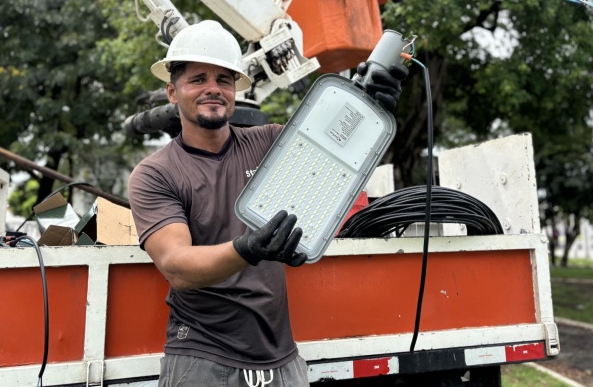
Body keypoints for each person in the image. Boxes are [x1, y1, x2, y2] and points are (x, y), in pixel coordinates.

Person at [127, 20, 407, 387]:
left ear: (235, 91)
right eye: (198, 79)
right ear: (172, 92)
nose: (213, 89)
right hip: (203, 358)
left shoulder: (271, 143)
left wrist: (370, 105)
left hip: (282, 358)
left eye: (224, 80)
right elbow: (177, 266)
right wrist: (248, 249)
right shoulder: (156, 173)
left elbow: (339, 154)